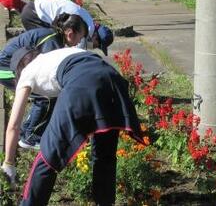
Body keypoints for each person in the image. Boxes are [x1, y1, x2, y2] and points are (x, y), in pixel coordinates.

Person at [1, 47, 143, 205]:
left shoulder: (27, 72)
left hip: (81, 83)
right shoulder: (56, 54)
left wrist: (8, 163)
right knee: (105, 156)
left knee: (47, 157)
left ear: (19, 70)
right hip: (112, 79)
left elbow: (13, 126)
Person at [0, 14, 88, 149]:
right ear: (70, 33)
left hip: (13, 65)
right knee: (45, 97)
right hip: (6, 69)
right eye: (80, 38)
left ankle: (25, 132)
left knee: (46, 94)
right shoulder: (52, 42)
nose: (79, 42)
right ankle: (30, 138)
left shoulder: (55, 37)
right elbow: (44, 74)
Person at [19, 0, 113, 54]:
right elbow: (77, 53)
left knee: (53, 47)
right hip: (35, 14)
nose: (94, 48)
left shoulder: (88, 21)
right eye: (96, 46)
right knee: (48, 51)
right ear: (96, 37)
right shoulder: (88, 29)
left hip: (34, 8)